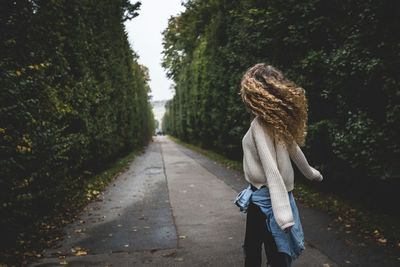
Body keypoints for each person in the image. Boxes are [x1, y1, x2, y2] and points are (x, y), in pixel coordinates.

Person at [235, 63, 323, 267]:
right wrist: (312, 174)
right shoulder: (276, 121)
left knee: (257, 253)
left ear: (253, 92)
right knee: (272, 254)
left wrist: (283, 215)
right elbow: (295, 150)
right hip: (270, 197)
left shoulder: (259, 125)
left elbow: (272, 170)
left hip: (267, 201)